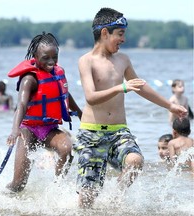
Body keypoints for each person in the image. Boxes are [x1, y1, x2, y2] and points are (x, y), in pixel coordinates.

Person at [73, 7, 188, 208]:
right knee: (88, 199)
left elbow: (139, 86)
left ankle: (114, 201)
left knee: (135, 160)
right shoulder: (86, 61)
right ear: (104, 33)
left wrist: (169, 105)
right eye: (120, 34)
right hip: (91, 134)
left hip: (119, 131)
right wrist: (121, 87)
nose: (123, 39)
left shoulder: (123, 60)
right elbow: (91, 97)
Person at [6, 32, 82, 192]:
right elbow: (21, 104)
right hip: (29, 130)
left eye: (55, 57)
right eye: (46, 57)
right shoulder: (29, 79)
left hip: (50, 129)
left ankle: (56, 189)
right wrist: (15, 130)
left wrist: (80, 112)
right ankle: (3, 194)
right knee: (18, 185)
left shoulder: (58, 73)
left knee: (66, 149)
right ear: (35, 56)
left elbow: (65, 93)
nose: (51, 62)